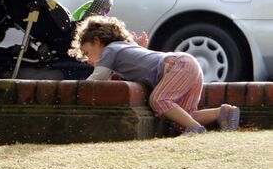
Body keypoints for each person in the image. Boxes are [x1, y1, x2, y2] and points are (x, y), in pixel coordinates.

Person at [69, 15, 240, 135]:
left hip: (178, 66)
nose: (88, 60)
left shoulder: (110, 50)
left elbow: (97, 78)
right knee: (183, 115)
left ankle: (196, 129)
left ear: (97, 41)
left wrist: (76, 89)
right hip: (187, 65)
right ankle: (223, 112)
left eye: (87, 53)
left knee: (158, 100)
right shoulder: (122, 48)